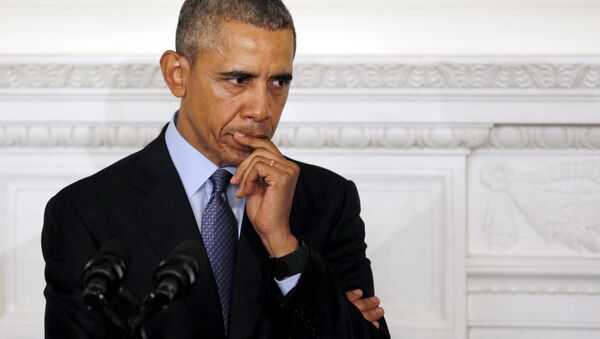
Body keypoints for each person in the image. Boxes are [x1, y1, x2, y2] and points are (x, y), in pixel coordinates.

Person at [41, 0, 390, 338]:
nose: (261, 108)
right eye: (239, 80)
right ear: (177, 75)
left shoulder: (329, 199)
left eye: (279, 83)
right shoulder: (84, 213)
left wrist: (283, 246)